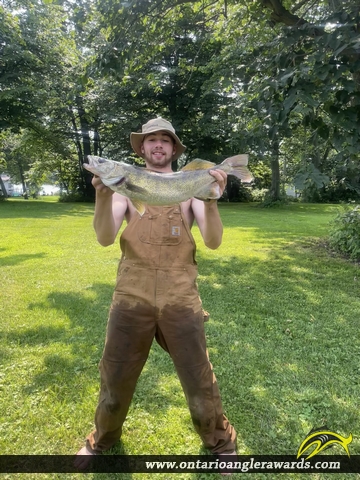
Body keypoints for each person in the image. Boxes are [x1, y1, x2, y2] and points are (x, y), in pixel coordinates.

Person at [75, 117, 237, 467]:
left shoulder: (189, 184)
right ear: (142, 148)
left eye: (165, 140)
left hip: (181, 296)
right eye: (151, 140)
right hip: (131, 295)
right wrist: (103, 195)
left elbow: (213, 241)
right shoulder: (125, 187)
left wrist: (210, 200)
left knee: (198, 376)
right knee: (115, 375)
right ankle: (101, 440)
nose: (158, 145)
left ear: (174, 149)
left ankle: (220, 444)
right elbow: (104, 238)